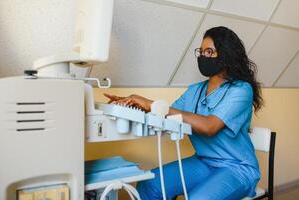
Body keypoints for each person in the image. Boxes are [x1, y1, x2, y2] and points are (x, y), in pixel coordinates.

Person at [104, 26, 263, 200]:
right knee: (149, 184)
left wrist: (151, 104)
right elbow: (165, 115)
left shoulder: (240, 90)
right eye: (201, 52)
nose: (204, 57)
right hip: (204, 162)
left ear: (226, 55)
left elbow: (209, 126)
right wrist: (131, 103)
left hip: (237, 168)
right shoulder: (194, 91)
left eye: (210, 51)